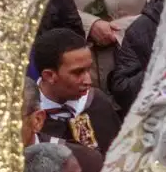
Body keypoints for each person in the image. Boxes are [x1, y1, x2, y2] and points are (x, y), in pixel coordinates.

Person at [31, 25, 118, 154]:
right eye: (78, 73)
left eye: (89, 69)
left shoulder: (98, 102)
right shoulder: (27, 118)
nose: (88, 81)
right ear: (49, 76)